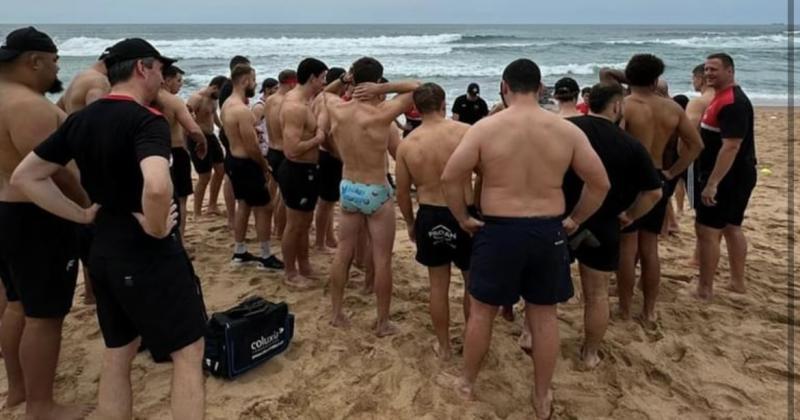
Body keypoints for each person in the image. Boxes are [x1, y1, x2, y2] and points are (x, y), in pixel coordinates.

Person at [12, 38, 207, 420]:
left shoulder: (80, 119)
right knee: (188, 352)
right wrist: (154, 228)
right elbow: (155, 185)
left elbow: (26, 176)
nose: (163, 78)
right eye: (160, 69)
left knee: (118, 353)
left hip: (102, 250)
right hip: (145, 254)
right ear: (142, 69)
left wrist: (81, 215)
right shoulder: (146, 120)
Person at [439, 58, 609, 419]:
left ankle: (467, 382)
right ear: (540, 86)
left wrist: (463, 217)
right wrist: (575, 219)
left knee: (482, 313)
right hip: (548, 230)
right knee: (544, 316)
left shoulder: (486, 128)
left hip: (500, 229)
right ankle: (542, 395)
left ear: (504, 86)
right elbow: (600, 184)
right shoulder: (566, 130)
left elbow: (451, 177)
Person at [0, 26, 92, 420]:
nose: (57, 69)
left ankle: (19, 390)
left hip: (7, 211)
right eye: (54, 61)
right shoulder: (28, 106)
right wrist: (86, 208)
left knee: (18, 305)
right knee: (46, 316)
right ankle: (41, 406)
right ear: (33, 60)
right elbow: (54, 173)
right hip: (37, 217)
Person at [564, 83, 663, 368]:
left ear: (589, 102)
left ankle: (530, 335)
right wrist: (631, 215)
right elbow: (654, 193)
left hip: (563, 221)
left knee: (541, 288)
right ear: (617, 106)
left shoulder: (567, 130)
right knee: (597, 295)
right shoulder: (630, 144)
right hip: (604, 225)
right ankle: (590, 353)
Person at [321, 57, 419, 336]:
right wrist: (380, 89)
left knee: (343, 253)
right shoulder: (381, 115)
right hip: (375, 190)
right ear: (377, 82)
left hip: (349, 188)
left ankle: (336, 314)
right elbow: (417, 87)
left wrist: (345, 80)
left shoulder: (338, 109)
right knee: (382, 259)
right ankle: (383, 322)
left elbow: (324, 93)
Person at [617, 54, 703, 322]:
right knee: (650, 247)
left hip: (630, 178)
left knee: (627, 247)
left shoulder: (625, 106)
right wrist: (673, 172)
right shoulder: (672, 108)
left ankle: (625, 307)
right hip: (657, 176)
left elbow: (618, 147)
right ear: (655, 80)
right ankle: (649, 310)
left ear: (629, 78)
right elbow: (696, 145)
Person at [395, 82, 473, 360]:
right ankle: (471, 339)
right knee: (471, 282)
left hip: (430, 213)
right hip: (464, 212)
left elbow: (402, 192)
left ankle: (444, 346)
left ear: (415, 109)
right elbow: (487, 173)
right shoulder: (465, 133)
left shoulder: (407, 144)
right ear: (444, 103)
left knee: (437, 286)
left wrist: (410, 223)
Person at [695, 53, 757, 299]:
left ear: (730, 71)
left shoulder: (733, 102)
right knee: (732, 227)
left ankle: (705, 288)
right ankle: (736, 283)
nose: (709, 73)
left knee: (708, 230)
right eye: (707, 69)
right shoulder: (719, 97)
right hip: (735, 174)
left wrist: (712, 184)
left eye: (715, 70)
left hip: (728, 177)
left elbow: (731, 146)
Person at [56, 49, 112, 306]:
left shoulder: (77, 78)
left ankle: (90, 292)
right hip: (88, 168)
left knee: (84, 231)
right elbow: (100, 123)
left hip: (74, 163)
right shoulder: (98, 83)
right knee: (96, 231)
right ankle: (97, 292)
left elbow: (57, 111)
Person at [222, 64, 284, 270]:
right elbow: (251, 146)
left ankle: (239, 252)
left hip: (233, 159)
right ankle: (266, 256)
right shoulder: (242, 110)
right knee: (265, 207)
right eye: (253, 79)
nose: (255, 84)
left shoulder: (226, 105)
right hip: (246, 163)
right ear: (244, 81)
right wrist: (264, 166)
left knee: (244, 205)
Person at [278, 58, 328, 288]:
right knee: (294, 224)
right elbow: (291, 150)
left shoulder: (305, 100)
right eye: (323, 78)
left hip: (309, 170)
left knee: (305, 223)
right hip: (297, 170)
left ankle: (304, 265)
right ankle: (290, 272)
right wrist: (318, 138)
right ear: (312, 78)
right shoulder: (295, 106)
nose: (324, 83)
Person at [154, 65, 207, 243]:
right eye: (178, 81)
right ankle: (180, 241)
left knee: (159, 198)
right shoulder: (173, 101)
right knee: (180, 200)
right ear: (167, 80)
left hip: (153, 153)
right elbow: (193, 129)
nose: (181, 85)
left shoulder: (147, 98)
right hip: (175, 152)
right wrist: (202, 142)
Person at [313, 67, 346, 252]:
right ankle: (320, 242)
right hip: (328, 154)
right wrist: (337, 153)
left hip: (324, 154)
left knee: (329, 201)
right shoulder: (330, 103)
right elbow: (324, 134)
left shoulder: (321, 97)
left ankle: (328, 237)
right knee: (325, 202)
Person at [186, 75, 226, 218]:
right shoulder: (197, 98)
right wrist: (195, 137)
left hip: (211, 136)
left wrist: (222, 128)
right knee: (204, 176)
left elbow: (213, 114)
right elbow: (185, 117)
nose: (222, 95)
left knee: (221, 170)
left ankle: (212, 206)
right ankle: (196, 212)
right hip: (197, 138)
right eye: (221, 91)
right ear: (215, 87)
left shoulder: (214, 99)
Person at [265, 69, 297, 239]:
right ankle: (279, 230)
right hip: (283, 152)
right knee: (285, 197)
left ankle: (277, 227)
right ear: (292, 83)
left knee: (279, 194)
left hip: (272, 150)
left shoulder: (269, 100)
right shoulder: (285, 102)